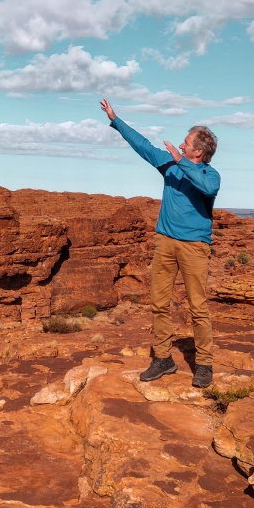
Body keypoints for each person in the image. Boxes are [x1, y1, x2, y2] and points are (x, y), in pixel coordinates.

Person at [99, 98, 220, 388]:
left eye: (186, 143)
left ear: (198, 151)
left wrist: (181, 162)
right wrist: (116, 120)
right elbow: (142, 145)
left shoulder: (209, 174)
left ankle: (204, 364)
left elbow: (206, 188)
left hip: (194, 247)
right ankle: (163, 358)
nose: (180, 145)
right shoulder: (169, 165)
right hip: (166, 243)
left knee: (198, 306)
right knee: (159, 303)